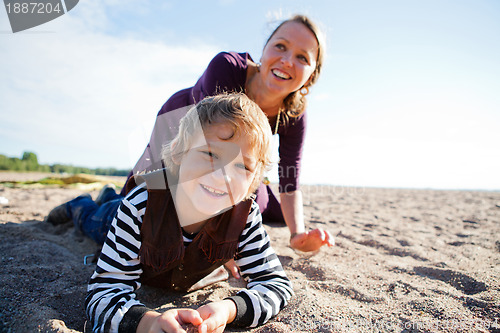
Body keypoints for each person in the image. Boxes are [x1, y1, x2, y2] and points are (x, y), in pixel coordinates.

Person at [123, 15, 334, 256]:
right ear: (264, 50)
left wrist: (298, 235)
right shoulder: (227, 67)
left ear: (312, 75)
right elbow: (210, 160)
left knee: (260, 202)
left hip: (231, 157)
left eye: (302, 57)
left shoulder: (294, 114)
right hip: (180, 127)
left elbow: (289, 176)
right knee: (138, 197)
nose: (287, 61)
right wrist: (220, 241)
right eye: (281, 46)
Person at [82, 93, 293, 333]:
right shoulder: (139, 206)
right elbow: (103, 292)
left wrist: (229, 309)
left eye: (242, 166)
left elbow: (276, 284)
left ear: (254, 179)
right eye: (211, 154)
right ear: (178, 153)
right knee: (91, 218)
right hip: (116, 219)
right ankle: (84, 203)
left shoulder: (244, 217)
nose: (224, 176)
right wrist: (149, 322)